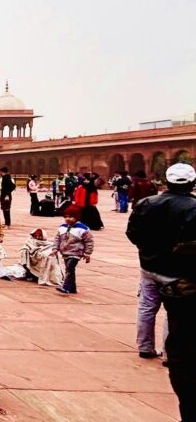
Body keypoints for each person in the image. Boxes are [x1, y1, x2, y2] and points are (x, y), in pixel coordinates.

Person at [127, 163, 196, 418]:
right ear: (191, 184)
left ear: (166, 182)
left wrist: (147, 249)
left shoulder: (147, 203)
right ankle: (169, 353)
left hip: (149, 266)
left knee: (146, 307)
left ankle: (144, 346)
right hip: (178, 272)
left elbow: (131, 232)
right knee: (173, 313)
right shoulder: (193, 208)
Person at [52, 205, 94, 295]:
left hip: (76, 253)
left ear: (77, 217)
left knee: (70, 269)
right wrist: (55, 248)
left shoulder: (83, 229)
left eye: (70, 217)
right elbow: (57, 238)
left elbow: (89, 242)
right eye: (66, 217)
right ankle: (72, 288)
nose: (68, 219)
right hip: (65, 252)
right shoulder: (62, 227)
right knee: (70, 270)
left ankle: (66, 287)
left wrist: (87, 253)